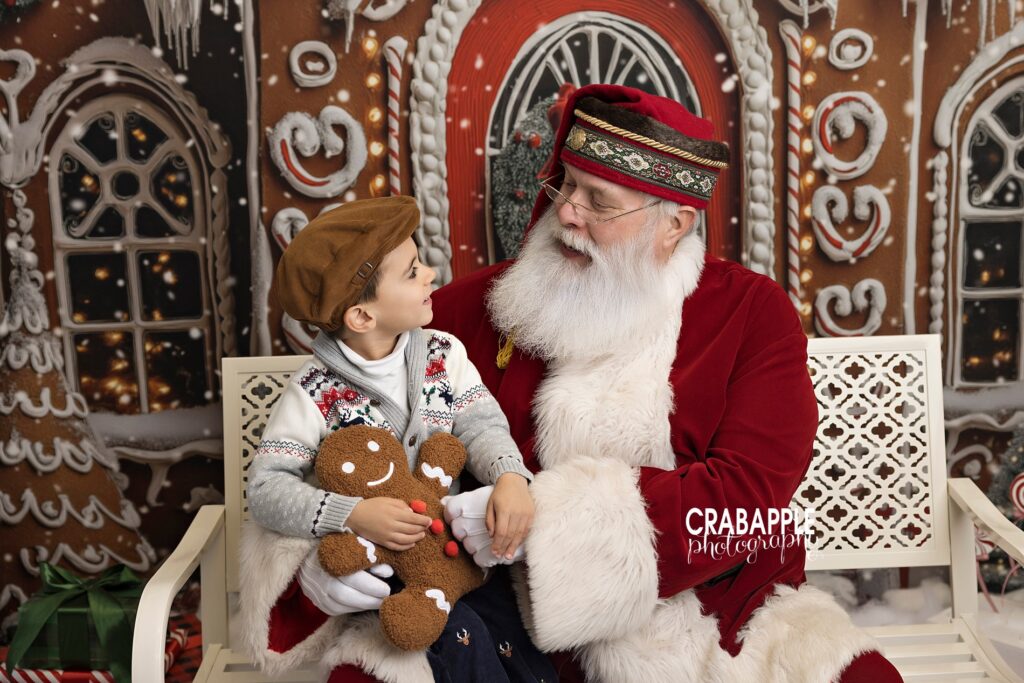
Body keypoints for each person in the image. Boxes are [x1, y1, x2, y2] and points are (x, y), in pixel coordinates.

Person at [242, 86, 904, 683]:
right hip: (485, 617)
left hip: (702, 615)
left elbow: (749, 501)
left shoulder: (749, 313)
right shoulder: (464, 311)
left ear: (673, 223)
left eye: (600, 202)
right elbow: (342, 437)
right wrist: (319, 576)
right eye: (566, 185)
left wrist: (542, 524)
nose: (567, 213)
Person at [241, 196, 556, 683]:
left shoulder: (442, 353)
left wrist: (510, 475)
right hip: (384, 577)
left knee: (513, 633)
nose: (431, 273)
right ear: (363, 317)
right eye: (412, 272)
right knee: (458, 638)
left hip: (456, 555)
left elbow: (480, 424)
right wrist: (352, 514)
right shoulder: (315, 393)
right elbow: (266, 489)